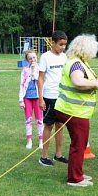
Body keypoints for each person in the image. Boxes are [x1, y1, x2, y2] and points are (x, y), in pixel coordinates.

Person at [54, 34, 98, 187]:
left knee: (79, 144)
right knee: (78, 145)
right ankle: (74, 178)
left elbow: (95, 82)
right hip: (74, 111)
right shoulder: (76, 64)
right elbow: (77, 81)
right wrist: (97, 84)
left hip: (75, 111)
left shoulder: (80, 62)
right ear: (86, 49)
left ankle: (77, 173)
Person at [38, 30, 69, 166]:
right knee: (49, 126)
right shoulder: (45, 57)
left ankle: (58, 154)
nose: (63, 47)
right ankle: (44, 156)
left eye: (64, 45)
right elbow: (40, 78)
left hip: (62, 97)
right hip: (49, 96)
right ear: (53, 43)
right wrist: (40, 99)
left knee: (60, 125)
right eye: (60, 44)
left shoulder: (65, 57)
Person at [19, 49, 44, 150]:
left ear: (36, 57)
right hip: (27, 98)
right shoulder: (25, 70)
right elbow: (21, 85)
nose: (32, 59)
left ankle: (41, 141)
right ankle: (29, 140)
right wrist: (21, 100)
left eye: (34, 57)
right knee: (28, 120)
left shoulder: (40, 69)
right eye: (30, 58)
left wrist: (34, 70)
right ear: (27, 60)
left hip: (38, 98)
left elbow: (38, 79)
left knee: (39, 120)